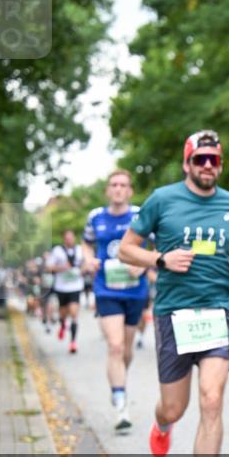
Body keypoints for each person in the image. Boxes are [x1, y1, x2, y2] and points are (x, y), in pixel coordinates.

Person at [119, 129, 229, 457]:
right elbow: (126, 249)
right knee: (175, 408)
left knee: (212, 398)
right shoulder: (163, 199)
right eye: (200, 159)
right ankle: (162, 423)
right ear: (186, 163)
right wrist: (160, 259)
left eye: (214, 160)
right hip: (173, 314)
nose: (207, 166)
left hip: (216, 313)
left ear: (220, 164)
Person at [82, 169, 151, 433]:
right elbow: (86, 244)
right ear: (108, 190)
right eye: (114, 185)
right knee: (115, 345)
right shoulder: (95, 217)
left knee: (126, 350)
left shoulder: (140, 215)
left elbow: (158, 244)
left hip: (135, 291)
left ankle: (119, 379)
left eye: (123, 185)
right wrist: (88, 259)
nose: (119, 189)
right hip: (106, 289)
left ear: (130, 190)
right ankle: (121, 402)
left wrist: (144, 264)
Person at [46, 230, 85, 353]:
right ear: (63, 239)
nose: (69, 240)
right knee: (62, 314)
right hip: (61, 287)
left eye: (71, 237)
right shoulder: (57, 251)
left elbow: (86, 264)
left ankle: (73, 342)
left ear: (74, 238)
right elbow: (48, 267)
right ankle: (62, 324)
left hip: (75, 286)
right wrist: (62, 267)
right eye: (67, 238)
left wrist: (82, 270)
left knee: (74, 313)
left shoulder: (80, 250)